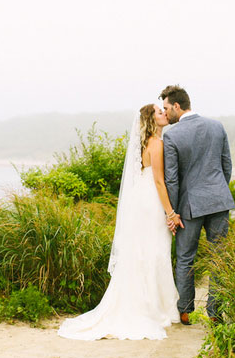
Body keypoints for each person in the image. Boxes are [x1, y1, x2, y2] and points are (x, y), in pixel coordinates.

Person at [57, 104, 180, 340]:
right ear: (151, 120)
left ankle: (149, 304)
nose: (164, 113)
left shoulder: (146, 143)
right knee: (155, 251)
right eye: (159, 112)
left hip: (140, 201)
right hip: (152, 202)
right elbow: (159, 182)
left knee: (144, 251)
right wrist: (170, 213)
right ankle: (154, 308)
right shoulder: (156, 144)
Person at [160, 85, 235, 324]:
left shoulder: (171, 135)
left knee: (185, 258)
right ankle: (215, 313)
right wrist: (218, 191)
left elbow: (172, 178)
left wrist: (173, 212)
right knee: (219, 257)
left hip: (189, 206)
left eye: (167, 108)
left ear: (177, 106)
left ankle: (184, 310)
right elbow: (227, 166)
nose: (166, 113)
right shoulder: (217, 126)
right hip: (219, 201)